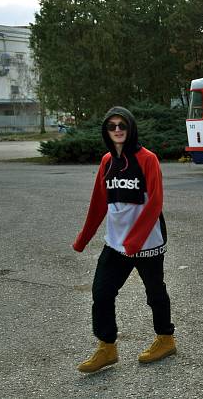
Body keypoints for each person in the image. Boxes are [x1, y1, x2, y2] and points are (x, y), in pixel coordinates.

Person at [72, 106, 176, 373]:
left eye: (122, 125)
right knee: (102, 293)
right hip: (116, 242)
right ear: (106, 131)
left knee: (155, 292)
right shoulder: (107, 161)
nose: (117, 130)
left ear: (131, 128)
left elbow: (154, 203)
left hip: (147, 243)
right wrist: (84, 238)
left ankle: (166, 339)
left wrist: (135, 242)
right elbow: (98, 202)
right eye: (112, 126)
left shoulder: (147, 159)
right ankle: (107, 347)